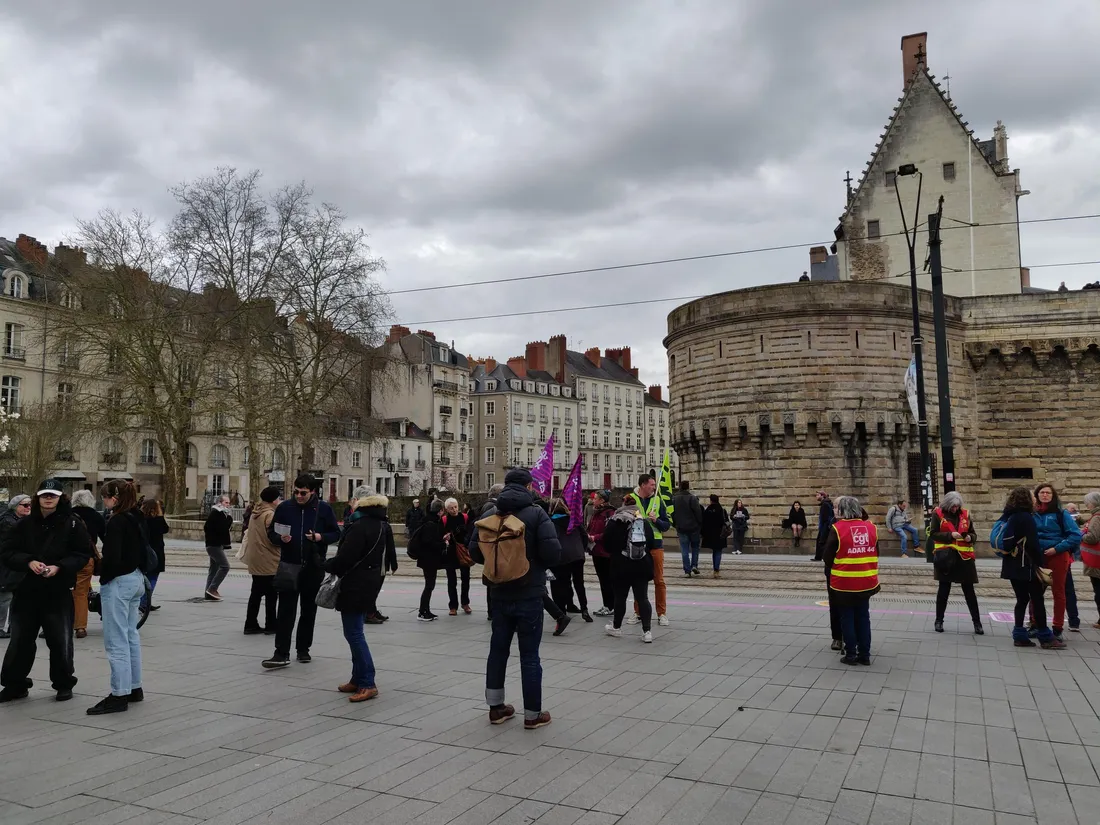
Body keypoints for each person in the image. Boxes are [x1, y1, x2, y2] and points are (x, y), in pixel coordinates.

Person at [468, 467, 561, 730]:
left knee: (497, 650)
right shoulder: (536, 513)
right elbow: (553, 553)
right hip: (530, 592)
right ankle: (533, 714)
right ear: (529, 486)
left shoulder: (489, 514)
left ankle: (496, 708)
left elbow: (475, 552)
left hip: (498, 592)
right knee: (529, 655)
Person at [0, 481, 91, 702]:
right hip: (26, 591)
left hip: (57, 590)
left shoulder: (72, 524)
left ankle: (63, 683)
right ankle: (15, 684)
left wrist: (59, 567)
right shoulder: (24, 525)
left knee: (60, 640)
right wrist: (28, 562)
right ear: (37, 497)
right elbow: (7, 551)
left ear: (61, 498)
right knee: (20, 641)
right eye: (44, 495)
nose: (48, 499)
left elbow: (82, 554)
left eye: (53, 495)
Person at [262, 473, 340, 668]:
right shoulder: (284, 507)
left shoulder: (323, 508)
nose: (298, 496)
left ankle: (303, 649)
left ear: (313, 491)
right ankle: (281, 653)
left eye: (303, 493)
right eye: (296, 492)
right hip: (289, 564)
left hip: (313, 566)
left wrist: (320, 537)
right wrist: (281, 539)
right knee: (286, 610)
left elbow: (336, 533)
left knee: (308, 610)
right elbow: (271, 533)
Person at [324, 493, 395, 702]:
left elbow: (345, 558)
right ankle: (357, 678)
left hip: (355, 584)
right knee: (355, 632)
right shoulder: (381, 525)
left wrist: (327, 565)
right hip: (369, 583)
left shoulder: (360, 526)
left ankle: (367, 682)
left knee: (354, 634)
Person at [88, 479, 148, 714]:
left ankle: (119, 693)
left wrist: (101, 572)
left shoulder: (117, 521)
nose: (103, 501)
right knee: (130, 634)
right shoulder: (137, 516)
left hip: (119, 581)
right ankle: (134, 687)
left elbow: (112, 558)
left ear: (114, 498)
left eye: (104, 496)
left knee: (116, 640)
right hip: (136, 578)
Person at [1000, 486, 1062, 648]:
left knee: (1021, 600)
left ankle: (1019, 635)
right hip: (1026, 566)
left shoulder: (1009, 516)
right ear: (1026, 499)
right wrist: (1040, 565)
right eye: (1031, 496)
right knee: (1037, 600)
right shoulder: (1026, 518)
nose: (1035, 498)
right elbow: (1033, 545)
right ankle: (1045, 637)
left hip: (1011, 565)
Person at [823, 495, 879, 665]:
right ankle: (865, 654)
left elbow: (827, 557)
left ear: (842, 510)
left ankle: (851, 655)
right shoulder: (871, 528)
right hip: (867, 580)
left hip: (844, 584)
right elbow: (876, 552)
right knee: (863, 617)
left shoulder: (838, 528)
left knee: (847, 617)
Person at [927, 491, 983, 634]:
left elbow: (973, 533)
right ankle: (939, 621)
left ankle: (977, 623)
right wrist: (950, 535)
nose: (955, 509)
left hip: (964, 558)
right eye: (952, 507)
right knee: (943, 590)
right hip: (946, 557)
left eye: (957, 506)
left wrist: (970, 537)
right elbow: (933, 534)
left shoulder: (965, 514)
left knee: (969, 592)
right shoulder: (938, 514)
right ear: (947, 505)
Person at [1031, 483, 1082, 640]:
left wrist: (1058, 548)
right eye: (1042, 492)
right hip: (1038, 556)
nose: (1045, 495)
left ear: (1053, 496)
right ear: (1037, 495)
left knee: (1058, 592)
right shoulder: (1032, 513)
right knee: (1035, 592)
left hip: (1057, 555)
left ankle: (1057, 627)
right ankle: (1035, 624)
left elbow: (1075, 535)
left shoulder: (1061, 514)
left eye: (1048, 493)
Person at [604, 494, 656, 643]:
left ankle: (617, 627)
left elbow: (607, 544)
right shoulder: (642, 521)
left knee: (620, 597)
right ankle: (647, 632)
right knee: (643, 598)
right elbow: (651, 542)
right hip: (641, 564)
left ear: (623, 504)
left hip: (621, 564)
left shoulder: (616, 520)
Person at [342, 485, 397, 623]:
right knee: (355, 631)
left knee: (354, 630)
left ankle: (370, 610)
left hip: (368, 567)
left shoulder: (361, 521)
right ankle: (369, 611)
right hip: (369, 568)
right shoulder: (372, 521)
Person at [628, 475, 670, 627]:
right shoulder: (630, 498)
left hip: (655, 544)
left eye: (654, 485)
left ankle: (662, 613)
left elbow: (667, 525)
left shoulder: (658, 500)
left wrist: (656, 520)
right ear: (643, 485)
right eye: (651, 485)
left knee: (659, 580)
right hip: (638, 544)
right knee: (638, 580)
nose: (654, 487)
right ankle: (638, 612)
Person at [240, 486, 282, 634]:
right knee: (271, 595)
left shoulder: (255, 513)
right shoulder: (269, 515)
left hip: (256, 559)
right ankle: (271, 625)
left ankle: (250, 623)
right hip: (269, 560)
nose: (280, 500)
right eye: (278, 497)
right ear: (274, 499)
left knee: (256, 593)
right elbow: (275, 538)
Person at [68, 490, 106, 637]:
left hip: (67, 559)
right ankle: (80, 627)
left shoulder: (67, 515)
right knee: (81, 593)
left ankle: (65, 622)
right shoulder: (96, 516)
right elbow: (105, 537)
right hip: (86, 558)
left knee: (65, 591)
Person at [548, 499, 591, 622]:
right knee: (579, 583)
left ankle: (561, 610)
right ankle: (584, 609)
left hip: (561, 556)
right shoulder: (574, 520)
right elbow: (584, 535)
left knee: (561, 583)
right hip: (577, 555)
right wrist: (581, 549)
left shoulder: (551, 522)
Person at [409, 500, 447, 621]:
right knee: (429, 585)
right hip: (428, 559)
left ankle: (426, 610)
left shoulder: (428, 521)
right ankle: (422, 611)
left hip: (427, 559)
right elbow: (429, 542)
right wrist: (443, 543)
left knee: (430, 585)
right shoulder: (431, 524)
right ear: (440, 511)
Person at [0, 495, 30, 639]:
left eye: (30, 505)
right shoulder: (9, 522)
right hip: (7, 565)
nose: (28, 508)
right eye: (25, 505)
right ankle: (1, 627)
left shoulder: (20, 521)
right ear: (16, 506)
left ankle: (14, 626)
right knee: (5, 597)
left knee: (16, 597)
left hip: (17, 565)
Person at [814, 491, 841, 650]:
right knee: (837, 606)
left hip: (843, 575)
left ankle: (842, 639)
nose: (834, 510)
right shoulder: (833, 524)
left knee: (843, 607)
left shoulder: (836, 527)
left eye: (837, 507)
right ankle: (839, 637)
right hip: (836, 573)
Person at [477, 484, 504, 621]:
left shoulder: (487, 506)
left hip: (489, 548)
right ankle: (491, 611)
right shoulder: (491, 508)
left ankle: (492, 610)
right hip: (491, 548)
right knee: (492, 582)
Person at [441, 498, 472, 615]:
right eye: (451, 508)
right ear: (446, 509)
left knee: (466, 579)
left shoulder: (464, 517)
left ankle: (465, 603)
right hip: (450, 552)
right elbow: (440, 534)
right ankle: (453, 606)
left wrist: (466, 541)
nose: (454, 510)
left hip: (463, 551)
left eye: (456, 507)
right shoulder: (444, 520)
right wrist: (445, 537)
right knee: (451, 581)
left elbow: (470, 531)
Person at [587, 491, 615, 615]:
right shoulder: (596, 512)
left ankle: (611, 606)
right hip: (596, 551)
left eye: (596, 498)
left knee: (607, 579)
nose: (594, 500)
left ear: (603, 500)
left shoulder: (609, 512)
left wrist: (595, 537)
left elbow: (610, 532)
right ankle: (606, 605)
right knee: (602, 579)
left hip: (606, 551)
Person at [139, 499, 168, 612]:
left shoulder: (141, 519)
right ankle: (144, 601)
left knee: (144, 577)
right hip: (155, 552)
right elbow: (165, 529)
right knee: (153, 578)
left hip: (144, 551)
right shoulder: (157, 520)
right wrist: (160, 514)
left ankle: (144, 601)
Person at [203, 494, 234, 601]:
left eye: (229, 503)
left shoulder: (218, 513)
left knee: (214, 568)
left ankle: (208, 592)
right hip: (214, 545)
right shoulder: (218, 513)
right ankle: (212, 589)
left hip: (214, 544)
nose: (228, 505)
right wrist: (229, 518)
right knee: (225, 566)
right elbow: (223, 528)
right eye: (226, 503)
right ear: (220, 503)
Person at [672, 480, 704, 576]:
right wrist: (699, 524)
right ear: (688, 487)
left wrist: (675, 524)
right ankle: (694, 565)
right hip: (693, 528)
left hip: (681, 527)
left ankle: (687, 570)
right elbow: (698, 513)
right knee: (695, 547)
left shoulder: (674, 499)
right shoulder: (692, 498)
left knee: (684, 549)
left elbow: (672, 513)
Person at [1079, 491, 1100, 628]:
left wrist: (1080, 534)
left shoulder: (1097, 517)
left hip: (1096, 561)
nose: (1086, 505)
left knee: (1098, 591)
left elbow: (1093, 537)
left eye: (1087, 502)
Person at [700, 494, 730, 577]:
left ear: (711, 500)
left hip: (710, 535)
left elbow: (704, 523)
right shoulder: (722, 510)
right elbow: (726, 522)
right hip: (720, 534)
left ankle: (715, 569)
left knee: (714, 551)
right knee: (718, 551)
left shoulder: (707, 510)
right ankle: (716, 569)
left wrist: (703, 534)